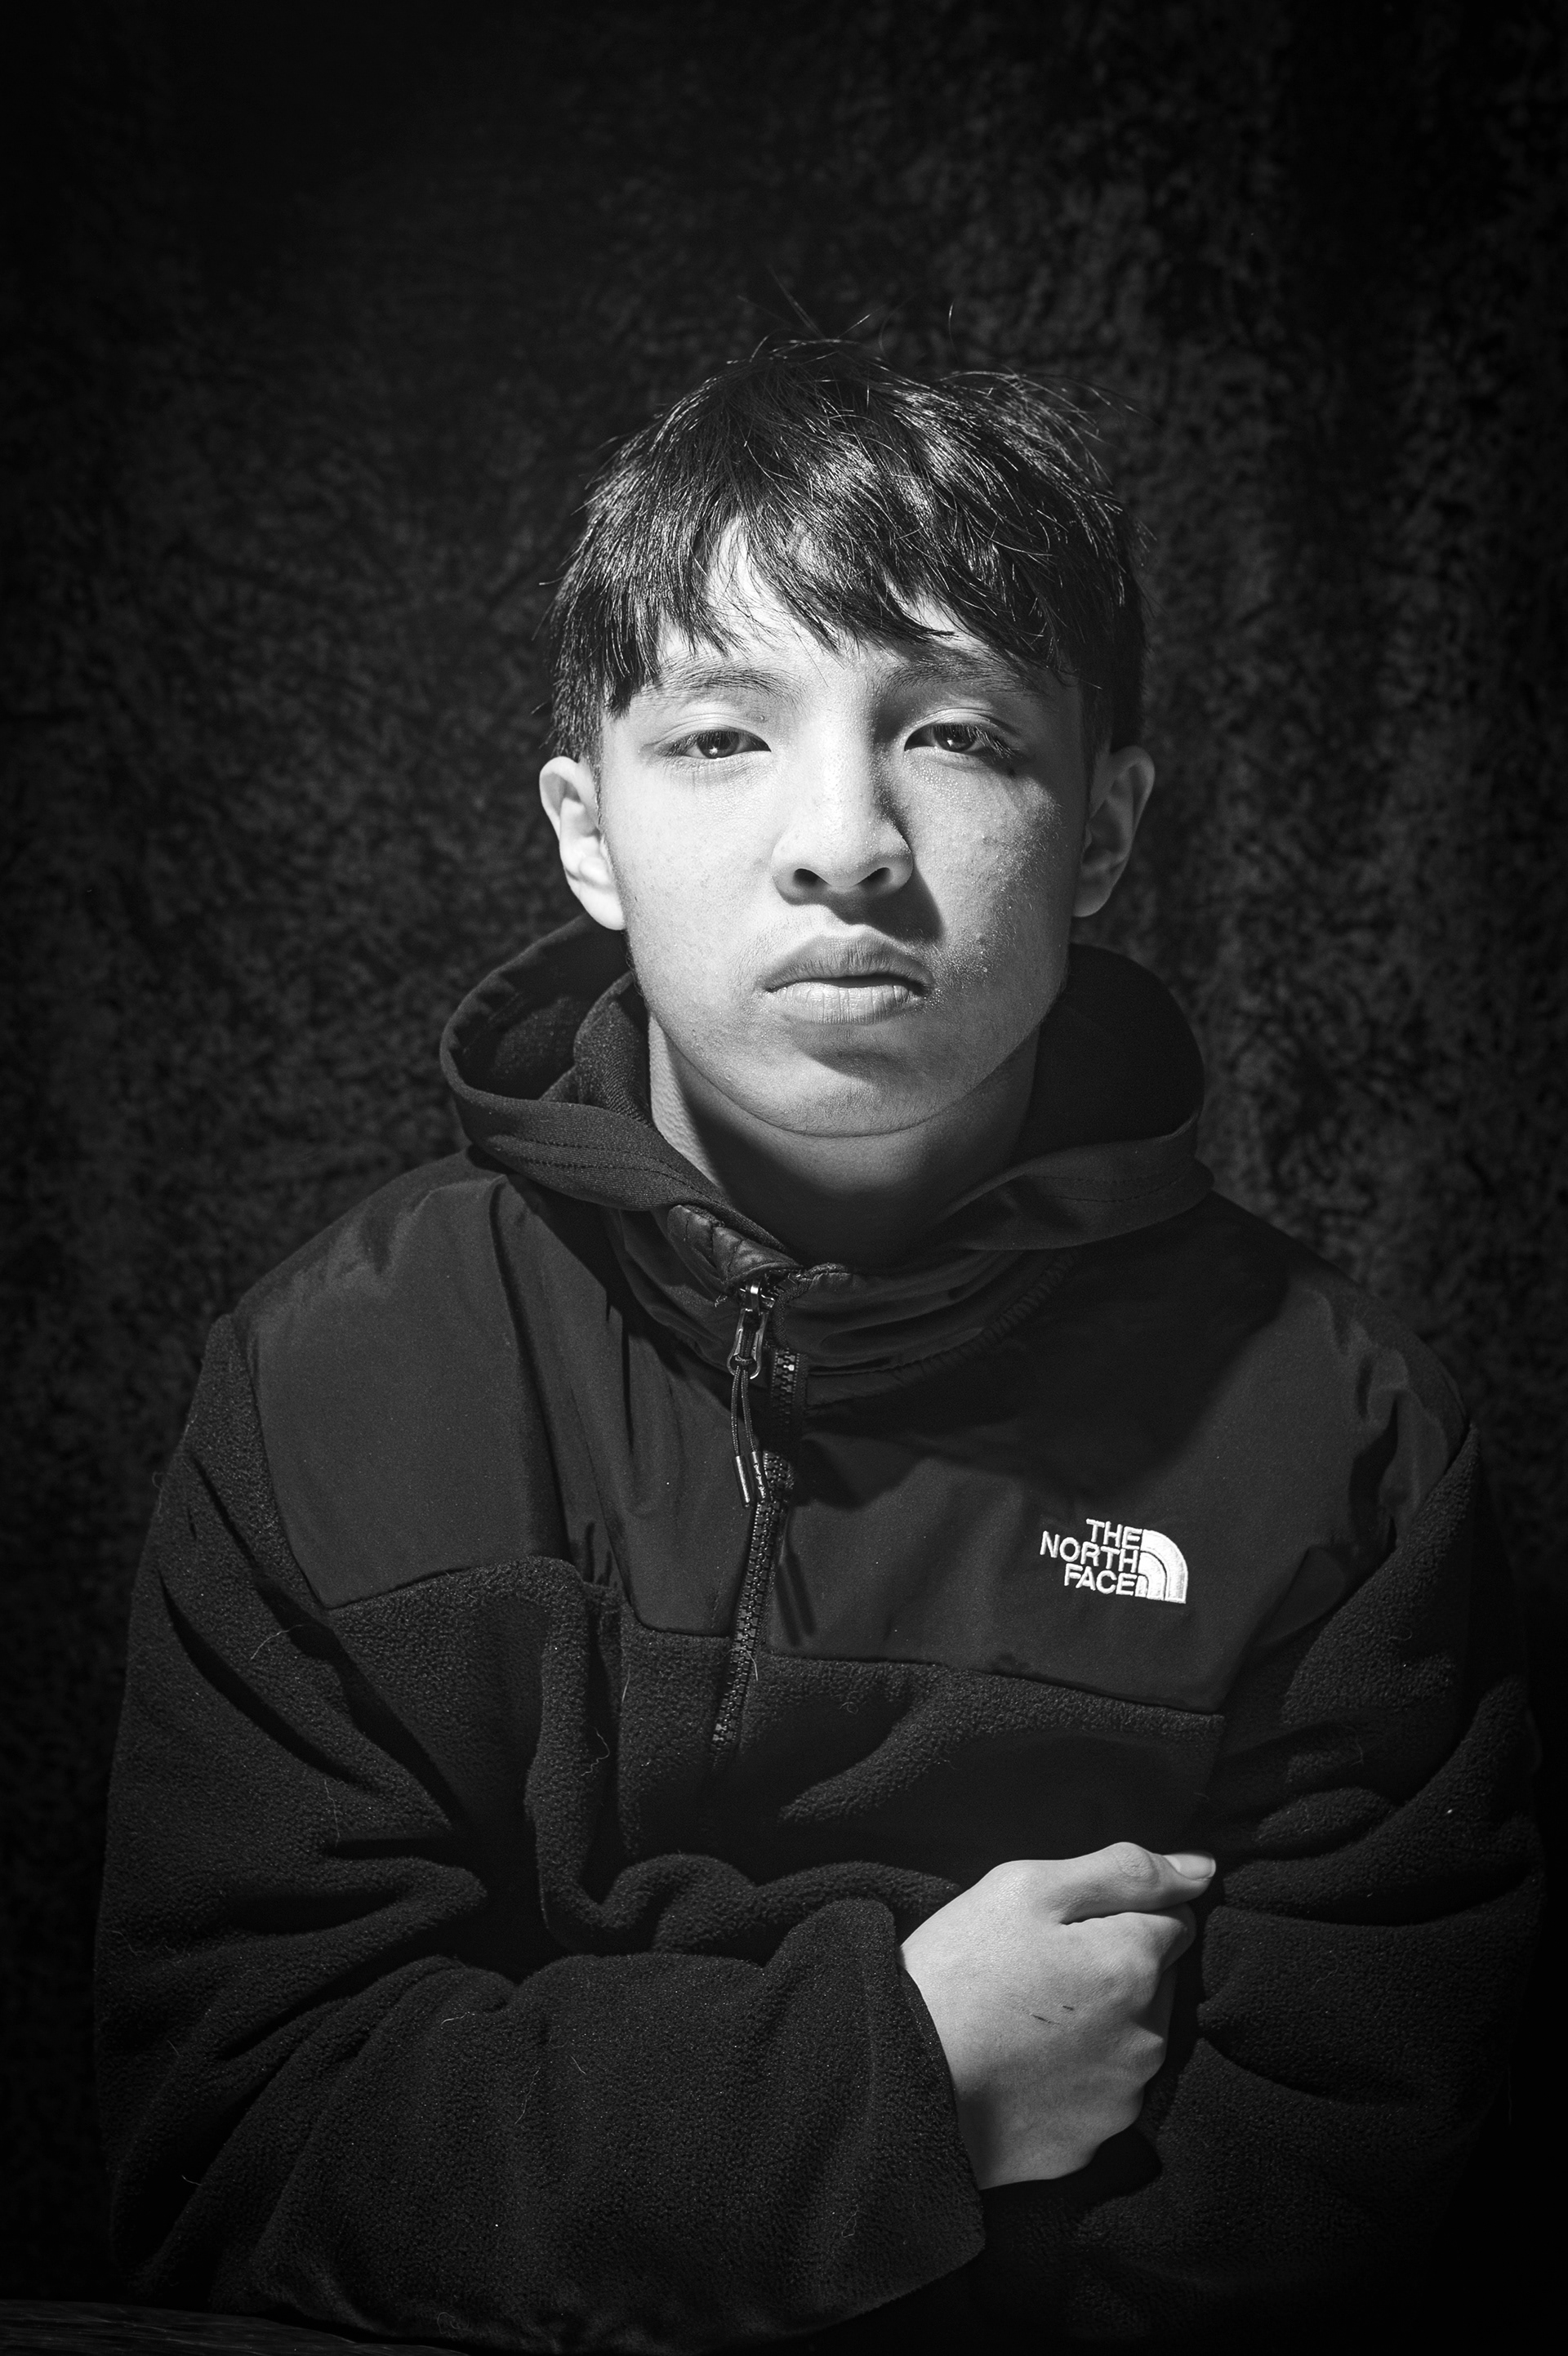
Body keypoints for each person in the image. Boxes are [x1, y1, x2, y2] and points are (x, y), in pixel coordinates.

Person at [96, 342, 1540, 2351]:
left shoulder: (1346, 1444)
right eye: (719, 736)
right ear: (585, 831)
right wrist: (909, 2081)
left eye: (953, 731)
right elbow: (240, 2142)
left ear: (1104, 829)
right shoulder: (332, 1388)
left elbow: (1341, 2206)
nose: (844, 840)